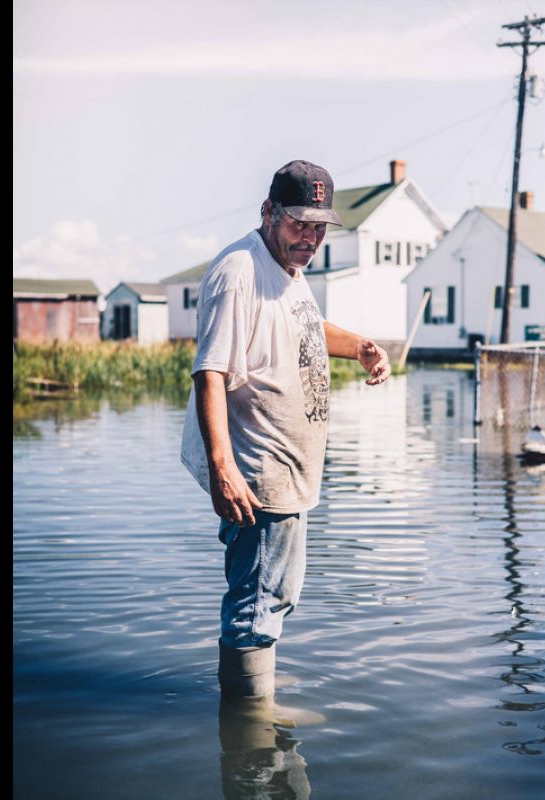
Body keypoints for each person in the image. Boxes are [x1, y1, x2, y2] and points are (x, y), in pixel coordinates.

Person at [180, 159, 391, 699]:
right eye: (300, 222)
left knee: (274, 595)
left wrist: (360, 347)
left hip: (286, 472)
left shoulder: (288, 272)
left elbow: (306, 326)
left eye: (320, 226)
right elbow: (210, 373)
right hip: (258, 474)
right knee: (257, 603)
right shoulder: (239, 273)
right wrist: (225, 470)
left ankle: (258, 691)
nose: (311, 237)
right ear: (268, 212)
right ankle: (251, 732)